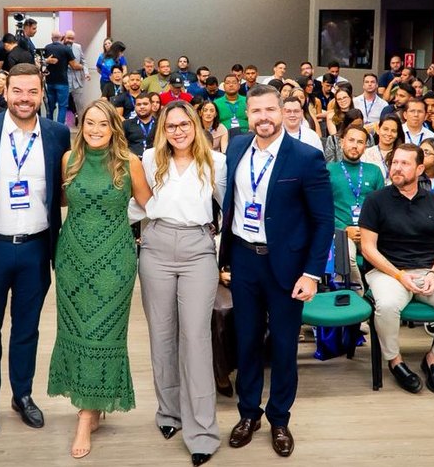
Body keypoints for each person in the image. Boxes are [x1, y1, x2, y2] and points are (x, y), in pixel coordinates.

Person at [219, 85, 334, 458]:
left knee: (284, 347)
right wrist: (225, 261)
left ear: (283, 111)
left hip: (287, 266)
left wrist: (312, 274)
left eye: (270, 110)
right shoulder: (236, 147)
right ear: (247, 114)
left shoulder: (306, 156)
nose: (263, 117)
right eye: (256, 111)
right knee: (247, 341)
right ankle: (248, 413)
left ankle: (280, 418)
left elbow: (323, 220)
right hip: (244, 260)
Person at [0, 63, 71, 437]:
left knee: (27, 330)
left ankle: (22, 395)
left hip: (35, 249)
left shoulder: (58, 134)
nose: (24, 99)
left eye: (32, 92)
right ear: (4, 91)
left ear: (42, 93)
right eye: (17, 91)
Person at [49, 99, 150, 459]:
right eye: (89, 122)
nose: (94, 129)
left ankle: (86, 415)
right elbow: (64, 201)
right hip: (73, 259)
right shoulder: (69, 160)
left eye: (102, 124)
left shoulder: (129, 163)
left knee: (102, 332)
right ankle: (90, 403)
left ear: (114, 129)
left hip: (114, 262)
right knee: (76, 330)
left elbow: (149, 207)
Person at [135, 100, 225, 465]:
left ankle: (202, 431)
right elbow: (138, 203)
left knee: (196, 338)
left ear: (195, 125)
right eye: (170, 126)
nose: (178, 131)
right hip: (155, 245)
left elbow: (232, 206)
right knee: (162, 334)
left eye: (183, 124)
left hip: (197, 249)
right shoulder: (149, 158)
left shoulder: (216, 162)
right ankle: (168, 413)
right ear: (163, 129)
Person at [358, 144, 434, 396]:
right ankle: (395, 361)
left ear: (420, 168)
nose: (397, 168)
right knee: (388, 306)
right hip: (387, 271)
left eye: (405, 163)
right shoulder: (375, 200)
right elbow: (368, 249)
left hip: (427, 271)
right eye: (394, 163)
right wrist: (399, 275)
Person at [327, 125, 383, 291]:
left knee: (388, 254)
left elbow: (382, 207)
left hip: (370, 230)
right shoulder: (329, 170)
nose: (355, 145)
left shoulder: (374, 171)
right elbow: (322, 209)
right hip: (341, 231)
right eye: (351, 140)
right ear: (342, 142)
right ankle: (359, 298)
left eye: (360, 142)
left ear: (365, 146)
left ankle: (380, 295)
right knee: (349, 258)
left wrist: (369, 229)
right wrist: (344, 229)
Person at [42, 30, 80, 126]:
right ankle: (60, 127)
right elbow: (74, 66)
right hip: (62, 82)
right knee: (63, 106)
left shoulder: (47, 48)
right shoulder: (66, 49)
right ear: (61, 38)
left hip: (49, 82)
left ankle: (49, 125)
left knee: (50, 106)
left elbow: (43, 62)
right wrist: (82, 67)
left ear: (52, 38)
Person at [362, 114, 405, 186]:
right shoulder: (366, 153)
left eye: (393, 131)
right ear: (378, 130)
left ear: (397, 134)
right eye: (385, 129)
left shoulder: (402, 155)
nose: (389, 134)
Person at [122, 94, 157, 158]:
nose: (142, 107)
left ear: (152, 105)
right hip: (133, 161)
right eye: (138, 104)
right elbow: (121, 144)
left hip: (155, 160)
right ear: (135, 107)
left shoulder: (160, 123)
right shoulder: (126, 124)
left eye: (145, 104)